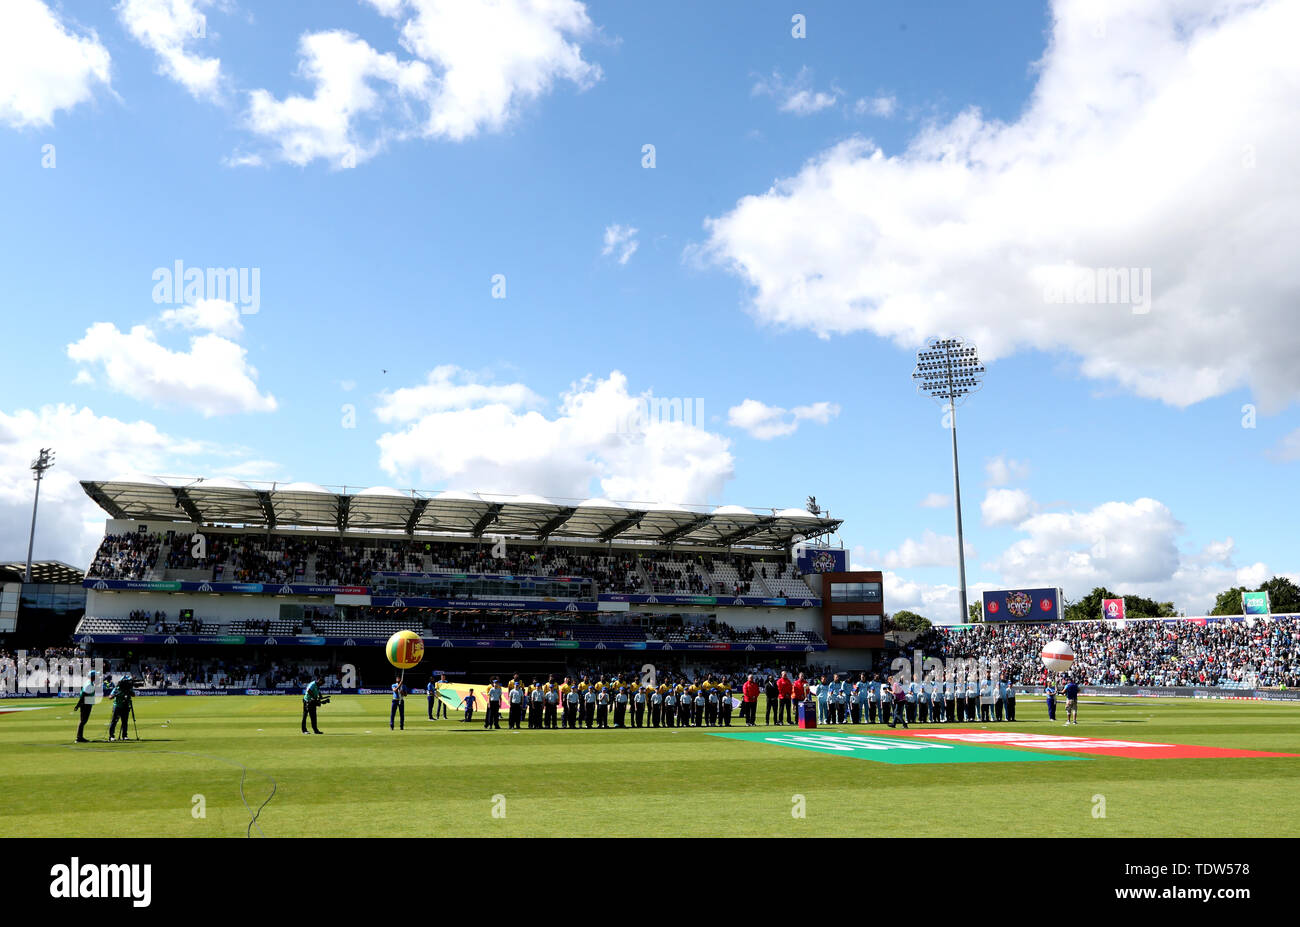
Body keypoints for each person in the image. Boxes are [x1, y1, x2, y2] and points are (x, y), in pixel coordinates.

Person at [108, 674, 134, 741]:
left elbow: (133, 695)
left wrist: (129, 692)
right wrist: (116, 694)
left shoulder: (129, 688)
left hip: (125, 706)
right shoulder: (117, 688)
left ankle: (124, 736)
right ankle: (111, 736)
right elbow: (110, 697)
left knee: (125, 722)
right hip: (117, 706)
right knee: (114, 721)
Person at [75, 670, 98, 742]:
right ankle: (79, 737)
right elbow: (83, 695)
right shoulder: (89, 684)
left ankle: (80, 737)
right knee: (83, 721)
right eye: (95, 676)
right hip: (85, 704)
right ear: (93, 676)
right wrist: (78, 705)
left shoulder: (90, 683)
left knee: (83, 721)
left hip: (87, 703)